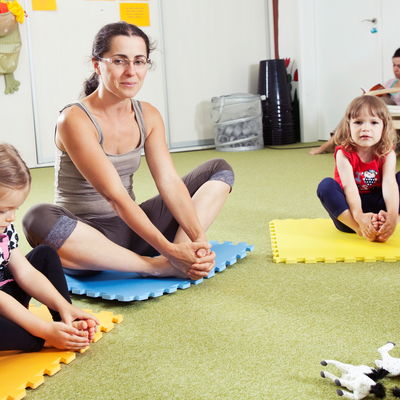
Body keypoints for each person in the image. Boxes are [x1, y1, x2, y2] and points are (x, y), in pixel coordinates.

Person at [22, 22, 234, 280]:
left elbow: (168, 182)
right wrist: (166, 251)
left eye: (139, 61)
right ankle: (157, 266)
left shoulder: (149, 115)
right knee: (36, 218)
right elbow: (115, 196)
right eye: (119, 61)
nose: (131, 71)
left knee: (219, 170)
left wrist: (196, 240)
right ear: (97, 64)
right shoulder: (74, 119)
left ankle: (189, 254)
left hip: (132, 229)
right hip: (87, 239)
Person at [0, 143, 99, 352]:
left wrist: (65, 307)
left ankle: (65, 321)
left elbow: (25, 272)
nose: (11, 217)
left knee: (44, 254)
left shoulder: (5, 229)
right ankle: (44, 339)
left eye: (14, 209)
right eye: (3, 210)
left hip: (8, 295)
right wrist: (44, 331)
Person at [316, 95, 399, 242]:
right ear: (348, 126)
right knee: (326, 185)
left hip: (380, 209)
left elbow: (390, 184)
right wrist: (359, 218)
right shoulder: (343, 153)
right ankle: (361, 230)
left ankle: (386, 225)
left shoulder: (388, 153)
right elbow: (349, 187)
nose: (365, 128)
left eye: (374, 123)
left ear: (384, 127)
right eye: (358, 122)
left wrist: (392, 216)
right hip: (349, 215)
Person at [310, 48, 400, 155]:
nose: (395, 69)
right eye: (393, 65)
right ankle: (332, 142)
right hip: (380, 113)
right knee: (359, 106)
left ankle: (332, 142)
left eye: (399, 66)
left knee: (384, 101)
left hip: (392, 115)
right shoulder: (390, 83)